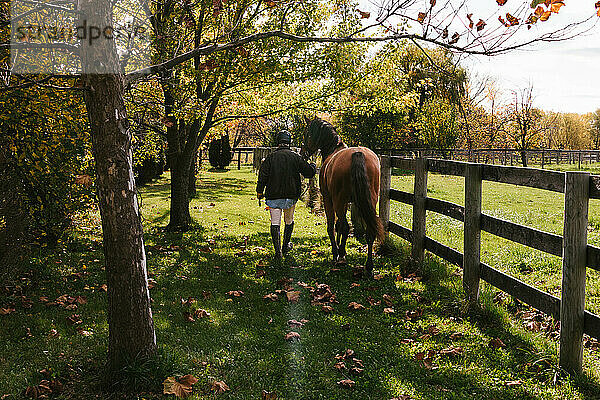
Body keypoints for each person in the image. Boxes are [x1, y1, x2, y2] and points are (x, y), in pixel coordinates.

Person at [257, 130, 316, 259]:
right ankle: (285, 245)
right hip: (291, 195)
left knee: (275, 222)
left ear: (278, 142)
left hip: (273, 195)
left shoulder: (270, 158)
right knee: (289, 220)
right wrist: (312, 165)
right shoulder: (295, 157)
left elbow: (262, 176)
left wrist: (259, 192)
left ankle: (278, 252)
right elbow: (308, 173)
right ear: (289, 142)